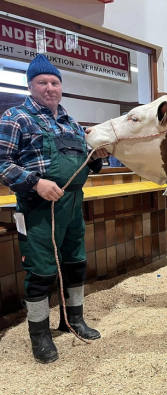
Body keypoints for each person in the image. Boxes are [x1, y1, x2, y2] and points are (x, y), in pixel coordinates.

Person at [0, 55, 108, 363]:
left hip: (73, 206)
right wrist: (35, 183)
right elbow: (1, 163)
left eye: (55, 82)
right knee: (42, 272)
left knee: (76, 264)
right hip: (38, 209)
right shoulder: (16, 117)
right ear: (30, 85)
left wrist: (99, 156)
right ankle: (40, 334)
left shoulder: (71, 122)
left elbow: (90, 164)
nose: (50, 88)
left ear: (61, 87)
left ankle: (73, 319)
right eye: (42, 82)